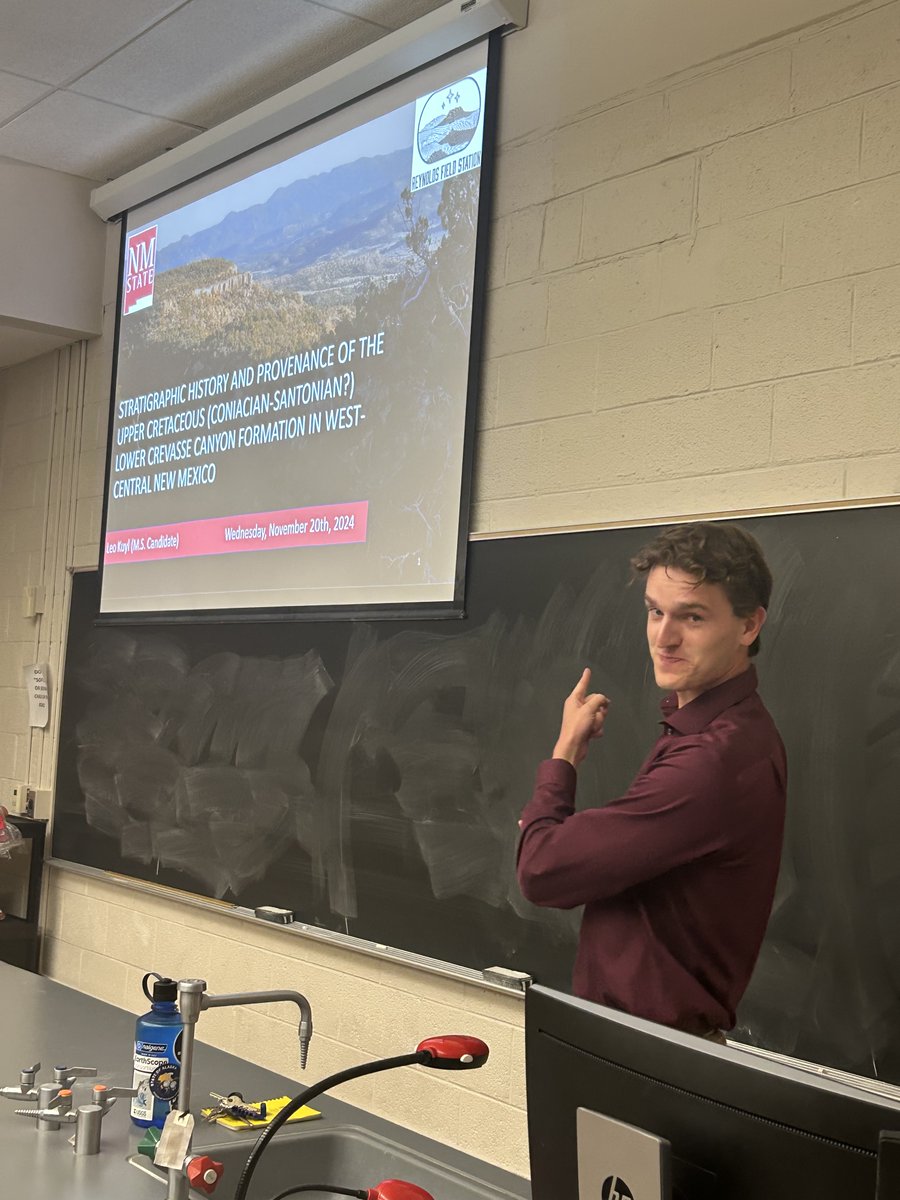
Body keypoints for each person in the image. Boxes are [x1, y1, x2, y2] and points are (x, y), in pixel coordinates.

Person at [516, 522, 787, 1040]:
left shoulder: (712, 761)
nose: (664, 637)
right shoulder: (723, 729)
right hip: (642, 1044)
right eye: (655, 611)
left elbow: (541, 869)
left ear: (749, 625)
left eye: (693, 616)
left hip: (648, 1054)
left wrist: (564, 755)